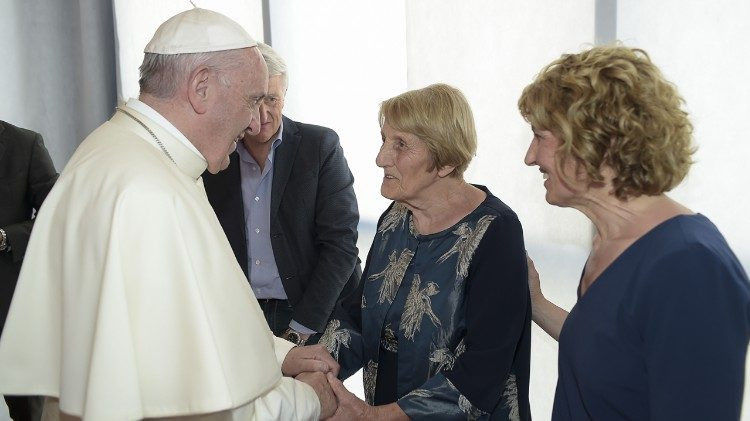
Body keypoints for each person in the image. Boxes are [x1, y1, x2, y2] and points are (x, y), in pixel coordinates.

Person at [0, 8, 338, 420]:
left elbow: (203, 318)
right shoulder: (151, 194)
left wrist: (279, 354)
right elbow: (200, 407)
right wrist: (310, 400)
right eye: (252, 100)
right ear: (201, 87)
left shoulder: (118, 150)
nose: (255, 122)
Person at [519, 45, 750, 420]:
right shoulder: (610, 243)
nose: (530, 157)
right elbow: (612, 356)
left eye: (539, 135)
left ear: (597, 141)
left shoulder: (689, 268)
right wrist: (537, 304)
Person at [320, 83, 532, 420]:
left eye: (400, 145)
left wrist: (376, 417)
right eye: (384, 140)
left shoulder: (495, 231)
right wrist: (316, 370)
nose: (380, 158)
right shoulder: (396, 218)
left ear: (446, 161)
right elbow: (361, 315)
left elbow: (484, 367)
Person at [202, 42, 360, 346]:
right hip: (241, 313)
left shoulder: (320, 147)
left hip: (313, 311)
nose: (262, 113)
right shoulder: (217, 155)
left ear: (285, 96)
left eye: (272, 99)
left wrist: (300, 329)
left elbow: (340, 246)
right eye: (254, 100)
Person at [0, 120, 57, 421]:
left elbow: (57, 214)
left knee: (28, 413)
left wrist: (6, 237)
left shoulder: (25, 144)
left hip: (12, 307)